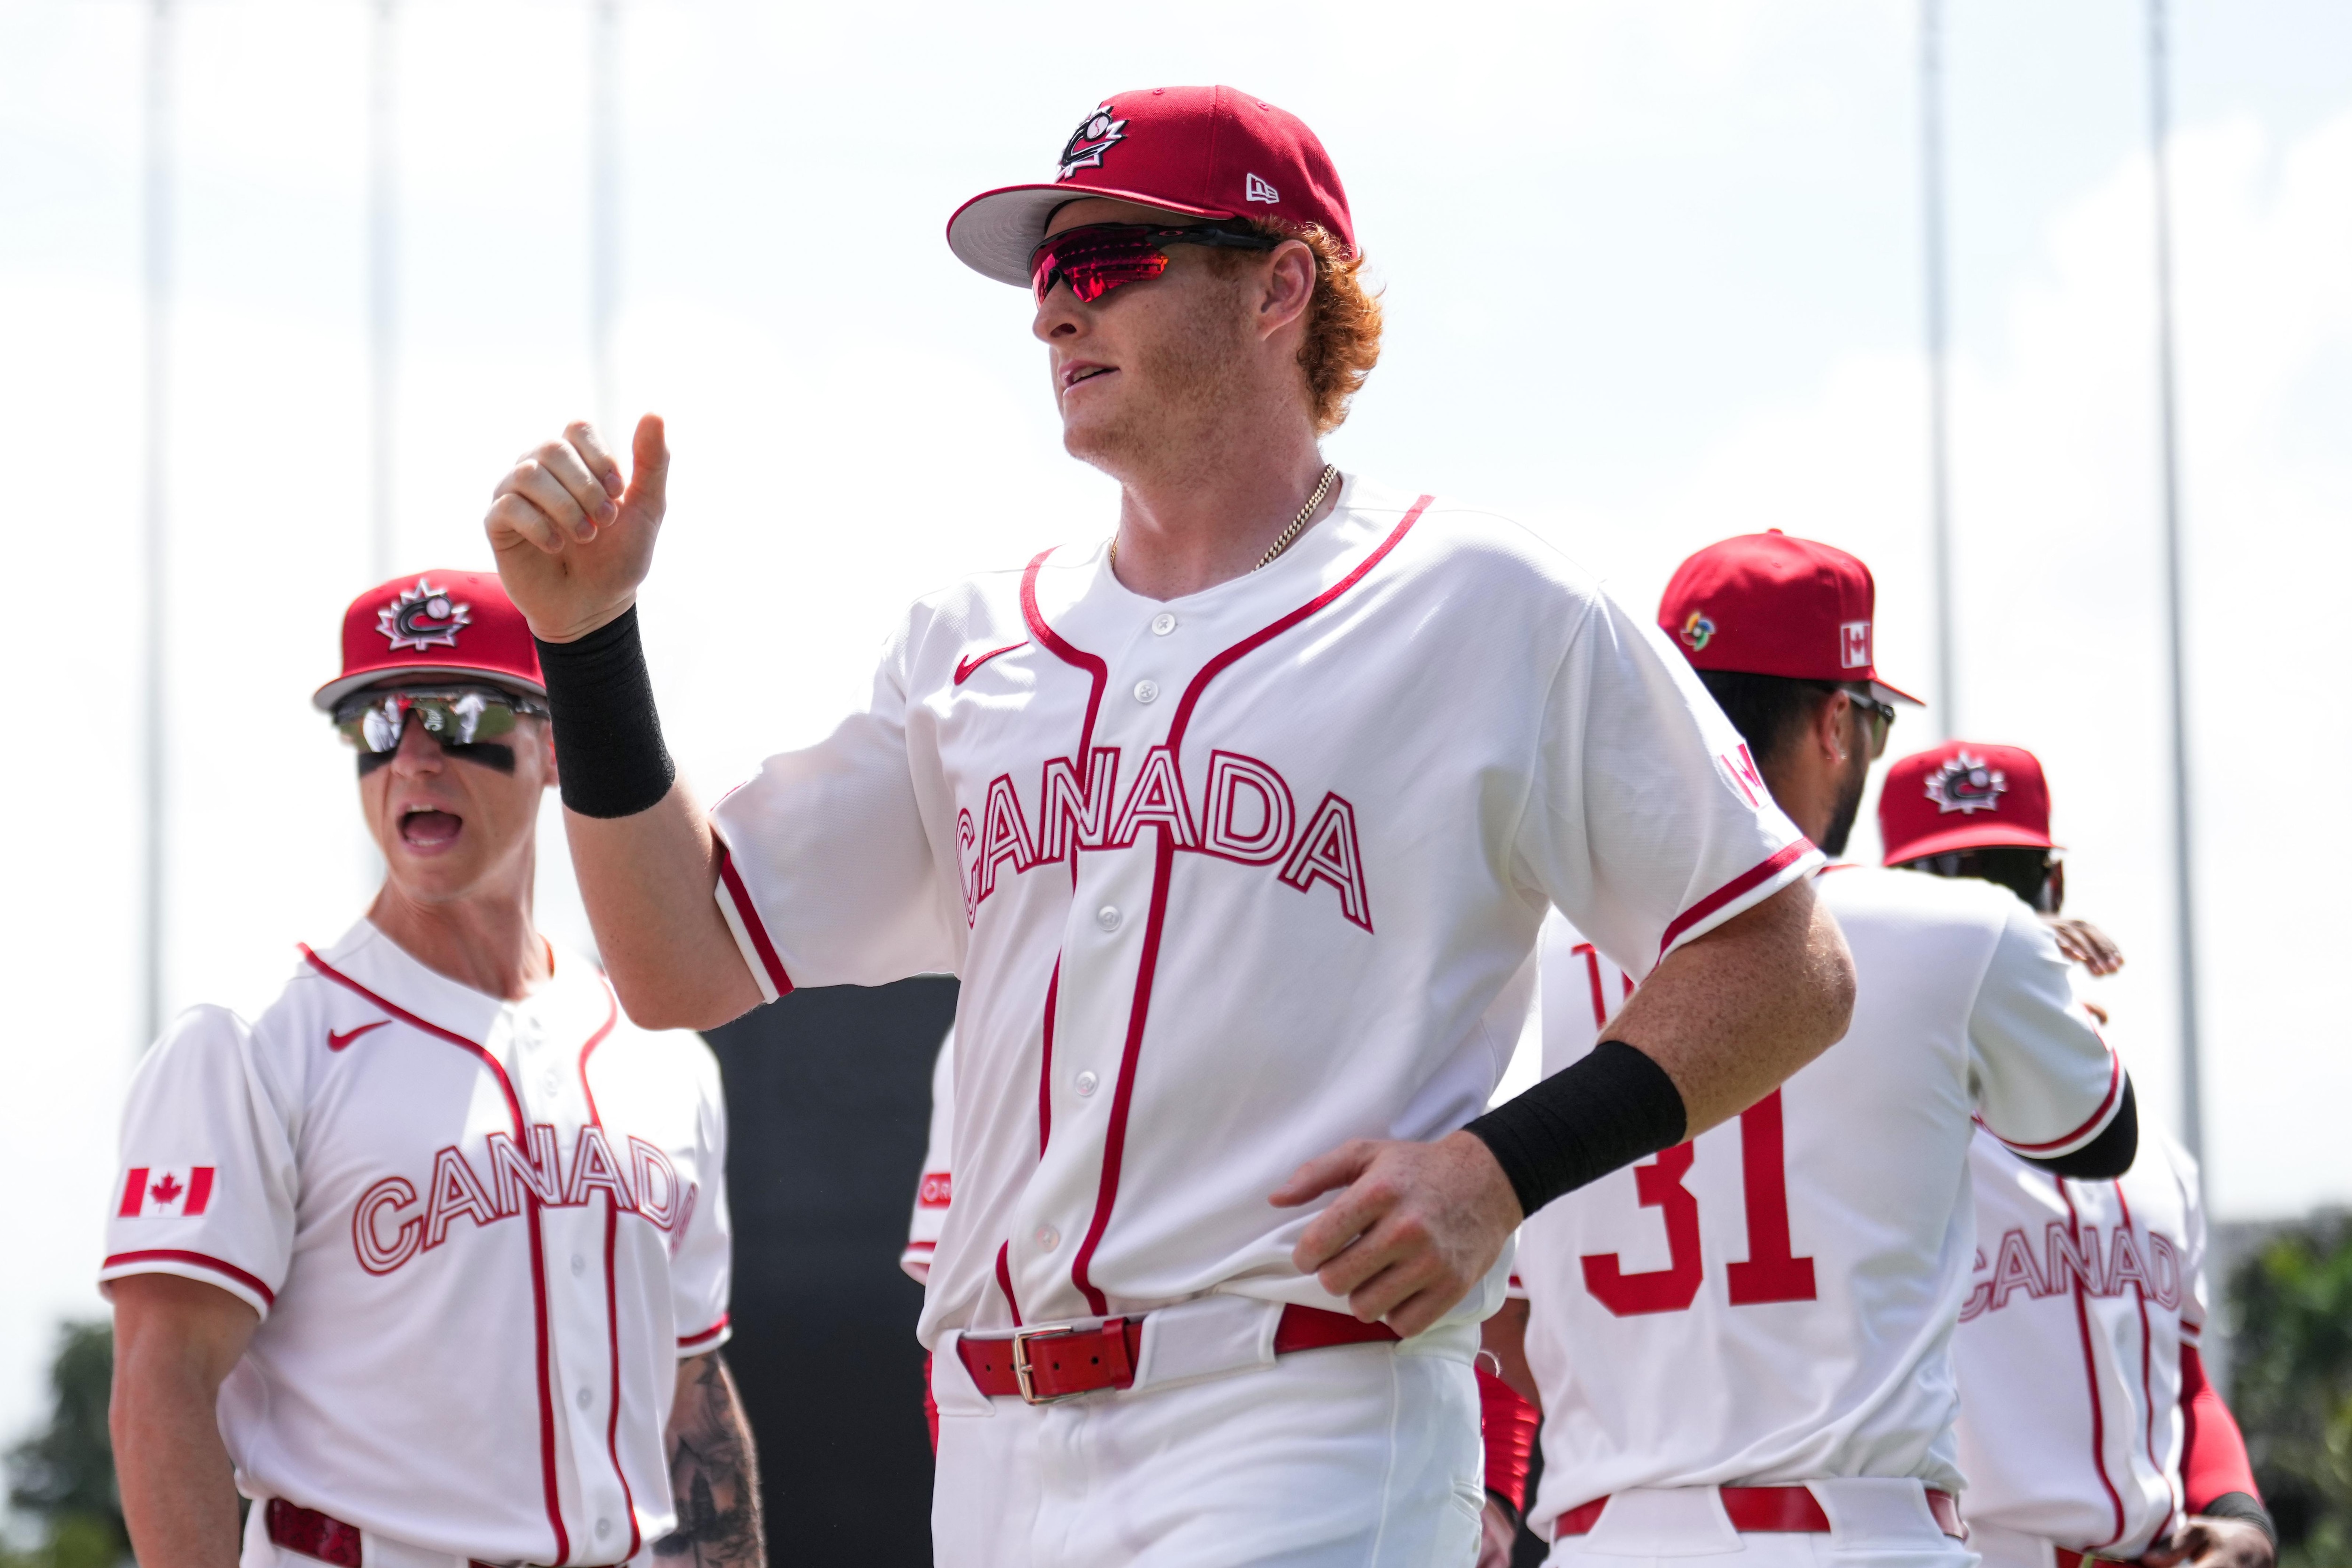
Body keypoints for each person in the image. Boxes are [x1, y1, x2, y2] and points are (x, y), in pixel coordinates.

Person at [482, 86, 1856, 1567]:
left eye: (1106, 262)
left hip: (1304, 1408)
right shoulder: (974, 641)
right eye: (1044, 278)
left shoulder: (1486, 604)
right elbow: (678, 956)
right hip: (998, 1442)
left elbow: (1787, 959)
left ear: (1279, 284)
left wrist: (1500, 1165)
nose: (1051, 317)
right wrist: (593, 644)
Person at [1481, 533, 2140, 1567]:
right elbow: (2098, 1138)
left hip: (1605, 1536)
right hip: (1864, 1533)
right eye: (1869, 717)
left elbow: (1496, 1309)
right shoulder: (1961, 930)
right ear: (1837, 722)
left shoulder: (1528, 946)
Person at [103, 572, 758, 1568]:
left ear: (553, 742)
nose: (411, 756)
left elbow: (692, 1393)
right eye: (375, 721)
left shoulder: (661, 1051)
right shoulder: (250, 1039)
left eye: (457, 713)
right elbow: (162, 1388)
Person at [1883, 741, 2275, 1568]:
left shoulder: (2154, 1148)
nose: (1991, 921)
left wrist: (2241, 1517)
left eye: (2011, 884)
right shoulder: (1876, 1136)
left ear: (2057, 889)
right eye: (1945, 892)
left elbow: (2189, 1383)